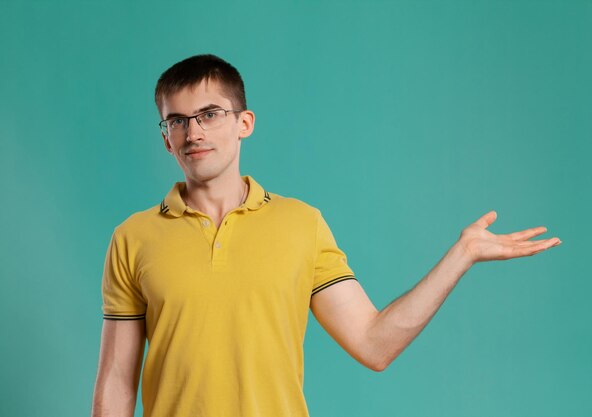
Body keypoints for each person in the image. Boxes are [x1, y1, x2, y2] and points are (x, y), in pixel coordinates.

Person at [91, 54, 561, 417]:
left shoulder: (300, 224)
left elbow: (375, 344)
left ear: (244, 123)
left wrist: (460, 256)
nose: (193, 131)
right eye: (177, 120)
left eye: (210, 113)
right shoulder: (133, 237)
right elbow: (115, 382)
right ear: (166, 137)